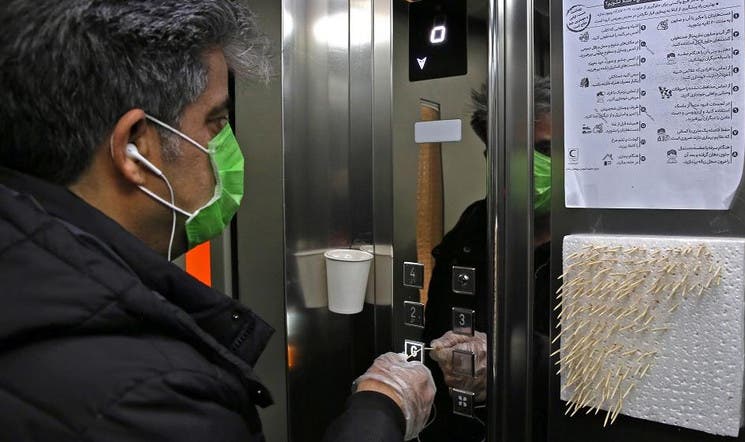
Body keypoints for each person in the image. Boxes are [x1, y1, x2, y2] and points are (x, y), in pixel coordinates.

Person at [0, 1, 433, 441]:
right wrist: (382, 407)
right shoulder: (156, 396)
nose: (227, 145)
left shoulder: (29, 272)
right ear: (135, 147)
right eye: (216, 121)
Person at [419, 78, 552, 442]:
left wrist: (514, 362)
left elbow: (615, 371)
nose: (527, 167)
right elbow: (436, 330)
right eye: (509, 151)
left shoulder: (599, 246)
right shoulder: (473, 227)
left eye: (545, 150)